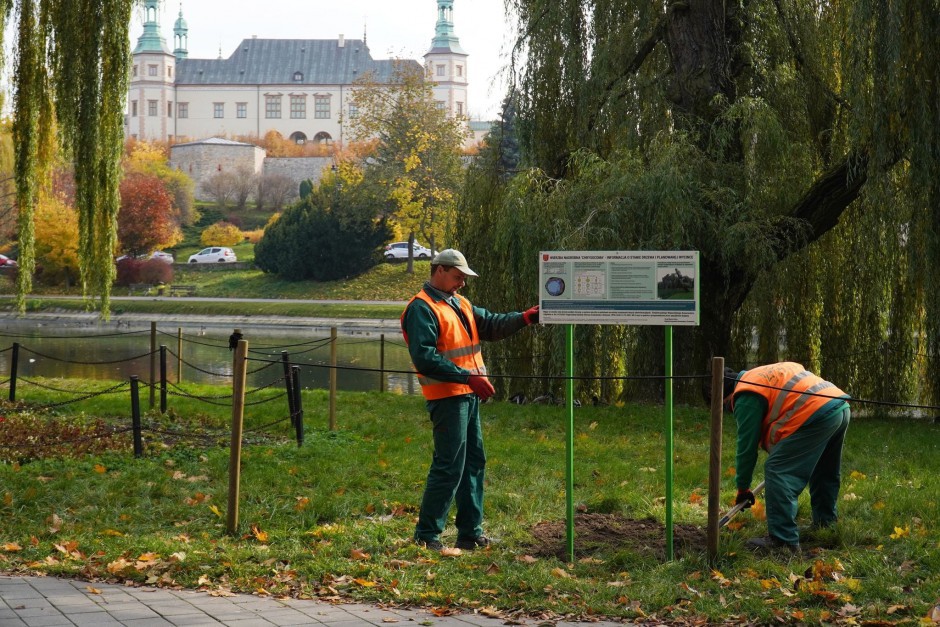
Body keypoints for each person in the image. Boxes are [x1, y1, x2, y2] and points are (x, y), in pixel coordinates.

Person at [401, 249, 539, 551]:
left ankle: (470, 533)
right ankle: (427, 535)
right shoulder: (421, 308)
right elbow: (425, 358)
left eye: (463, 278)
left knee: (473, 462)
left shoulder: (459, 302)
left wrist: (525, 318)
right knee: (449, 465)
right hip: (448, 396)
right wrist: (468, 378)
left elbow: (489, 324)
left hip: (468, 394)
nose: (462, 283)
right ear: (439, 271)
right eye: (458, 277)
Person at [722, 362, 851, 554]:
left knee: (777, 470)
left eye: (727, 408)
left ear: (726, 398)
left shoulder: (745, 394)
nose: (731, 411)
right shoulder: (759, 375)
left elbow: (746, 448)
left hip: (815, 414)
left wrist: (743, 488)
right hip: (838, 405)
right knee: (824, 471)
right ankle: (826, 525)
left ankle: (783, 541)